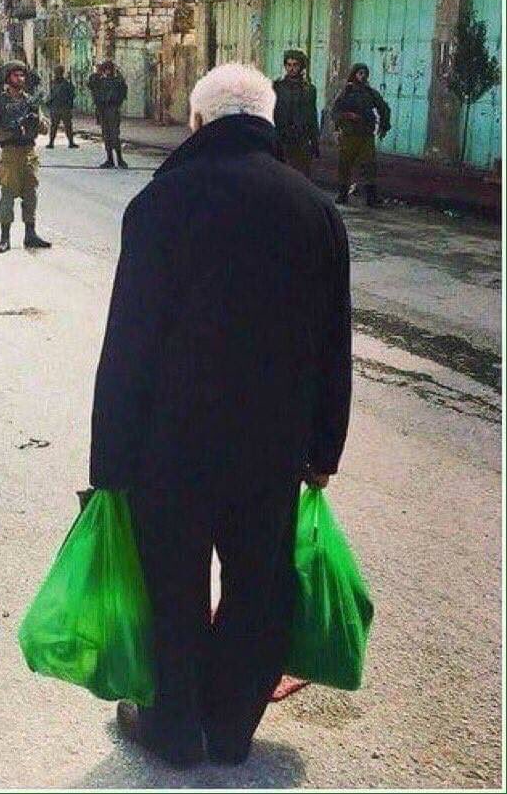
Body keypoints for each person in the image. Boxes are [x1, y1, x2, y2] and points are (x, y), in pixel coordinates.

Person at [89, 63, 351, 768]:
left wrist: (107, 462)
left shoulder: (159, 204)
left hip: (169, 444)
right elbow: (334, 344)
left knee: (172, 582)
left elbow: (128, 343)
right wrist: (324, 448)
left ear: (197, 123)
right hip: (271, 448)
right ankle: (232, 727)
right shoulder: (314, 210)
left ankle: (173, 728)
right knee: (255, 583)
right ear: (266, 123)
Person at [0, 60, 51, 253]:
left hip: (29, 154)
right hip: (11, 153)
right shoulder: (0, 103)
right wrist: (12, 132)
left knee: (30, 195)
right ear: (8, 78)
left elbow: (46, 129)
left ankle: (30, 234)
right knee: (7, 196)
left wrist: (36, 121)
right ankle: (4, 237)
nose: (20, 78)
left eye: (22, 75)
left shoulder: (30, 102)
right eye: (15, 75)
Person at [330, 63, 391, 207]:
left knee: (369, 164)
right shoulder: (346, 92)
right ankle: (342, 194)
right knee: (344, 164)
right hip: (349, 135)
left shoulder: (370, 93)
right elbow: (335, 111)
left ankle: (371, 196)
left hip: (365, 135)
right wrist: (346, 117)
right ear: (354, 74)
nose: (362, 77)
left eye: (364, 73)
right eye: (359, 73)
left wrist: (384, 125)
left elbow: (383, 108)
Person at [272, 49, 319, 177]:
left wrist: (315, 141)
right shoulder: (277, 87)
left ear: (301, 66)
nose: (291, 68)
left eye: (295, 65)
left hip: (301, 137)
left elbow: (312, 115)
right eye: (288, 65)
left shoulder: (309, 89)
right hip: (282, 137)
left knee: (302, 176)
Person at [90, 60, 128, 168]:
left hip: (112, 110)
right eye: (105, 69)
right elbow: (91, 83)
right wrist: (98, 72)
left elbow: (123, 90)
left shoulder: (117, 81)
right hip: (103, 110)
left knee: (114, 136)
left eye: (108, 69)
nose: (107, 71)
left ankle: (119, 160)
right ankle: (110, 159)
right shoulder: (100, 81)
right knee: (107, 136)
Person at [45, 65, 78, 149]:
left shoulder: (54, 83)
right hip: (63, 108)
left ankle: (52, 142)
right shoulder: (65, 83)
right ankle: (69, 142)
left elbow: (51, 95)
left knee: (56, 126)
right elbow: (72, 95)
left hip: (58, 107)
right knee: (66, 126)